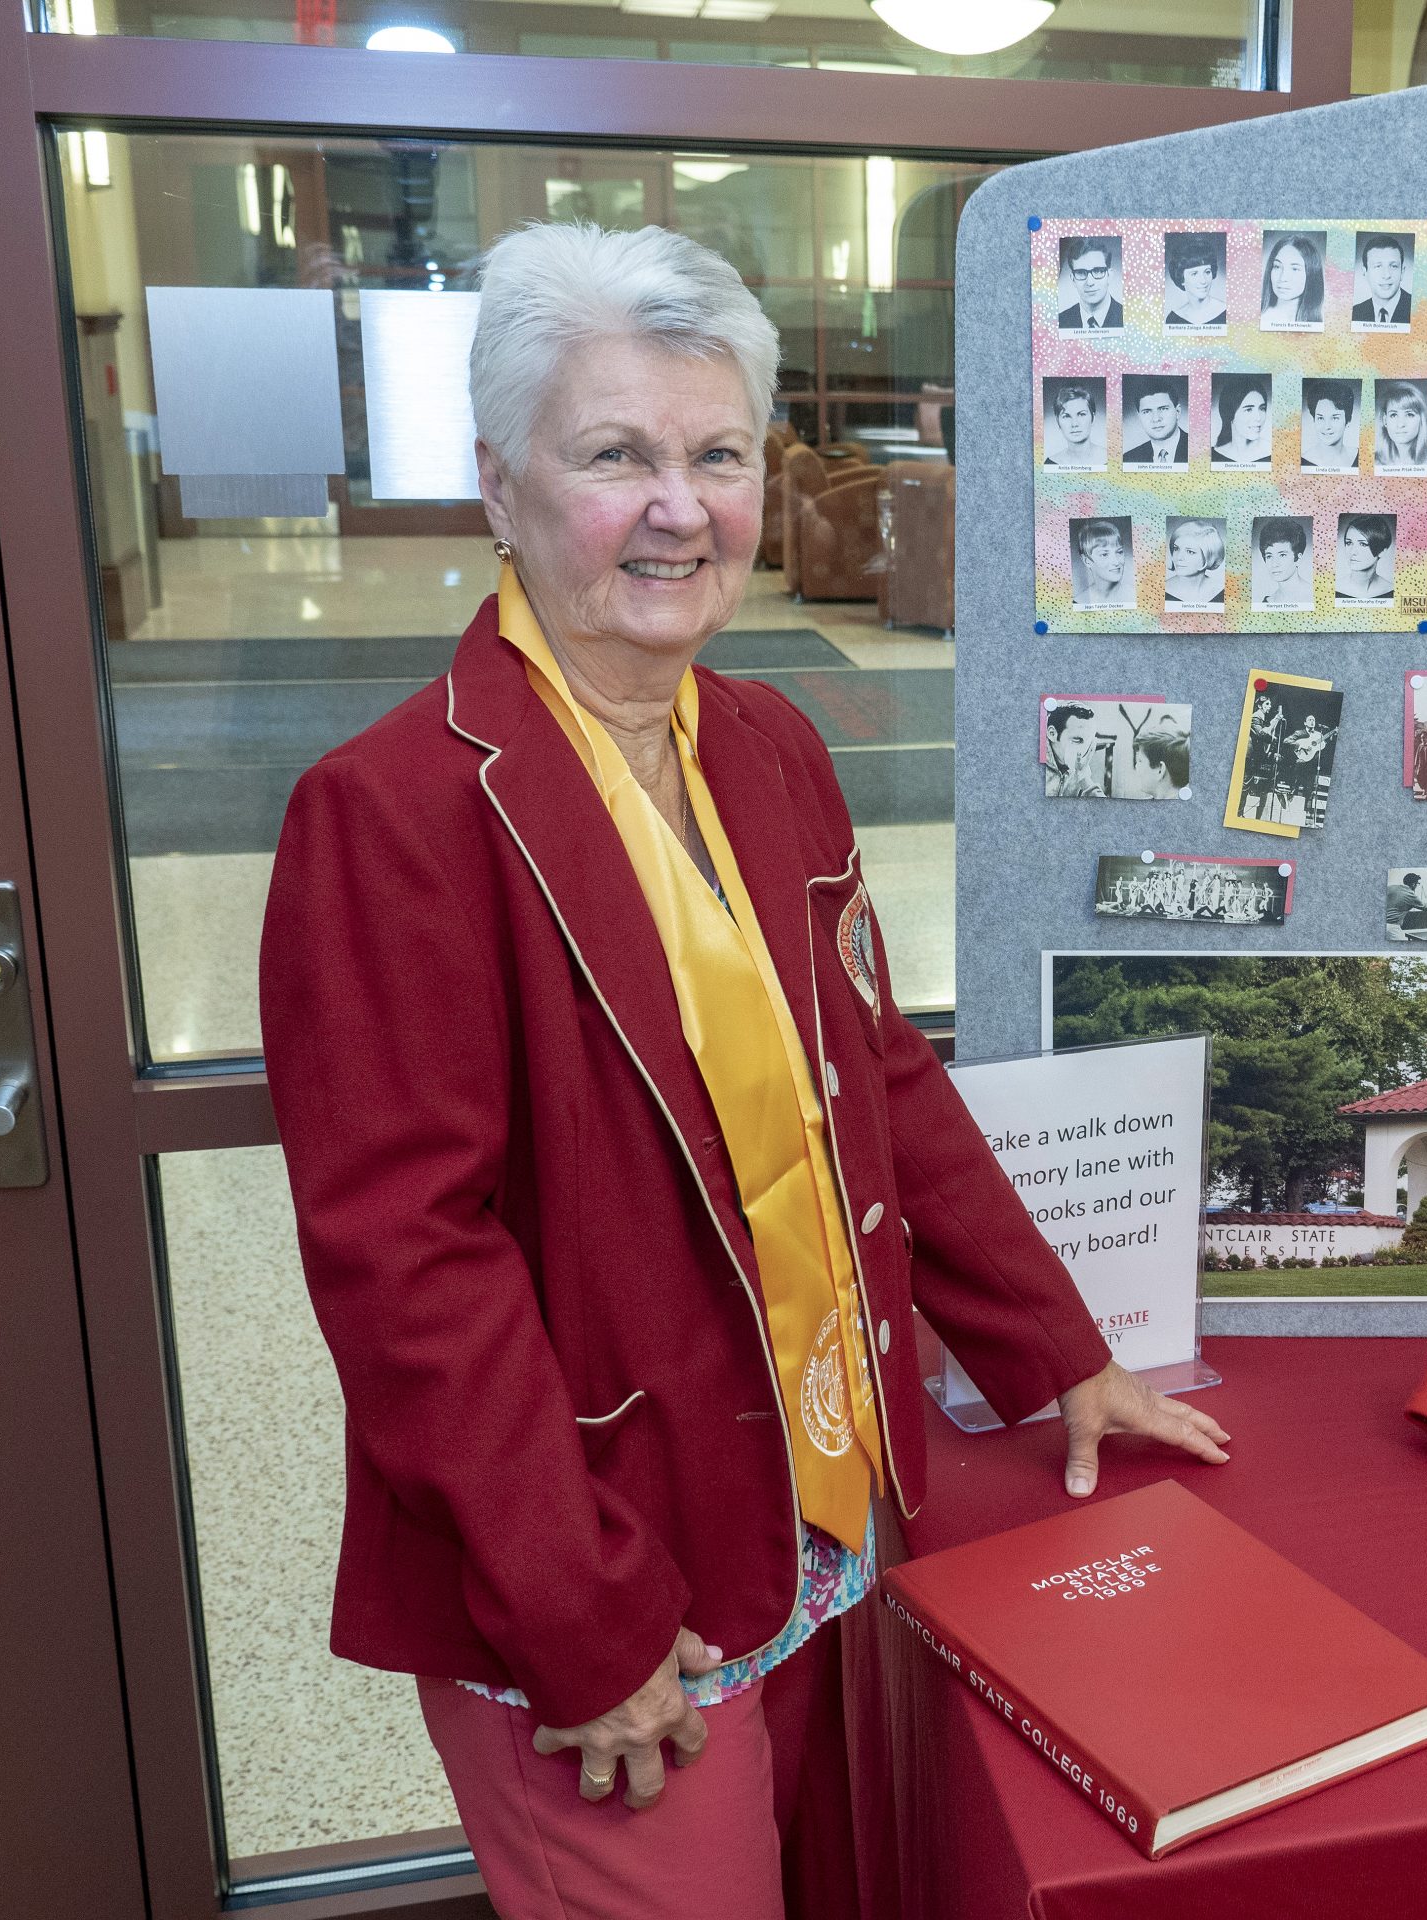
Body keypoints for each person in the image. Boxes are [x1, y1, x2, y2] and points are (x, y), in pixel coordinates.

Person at [258, 223, 1228, 1920]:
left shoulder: (769, 746)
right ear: (500, 487)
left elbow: (883, 1082)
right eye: (614, 454)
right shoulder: (395, 812)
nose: (679, 506)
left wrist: (1056, 1351)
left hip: (816, 1508)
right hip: (611, 1578)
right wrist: (582, 1625)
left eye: (717, 457)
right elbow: (408, 1273)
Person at [1054, 238, 1121, 330]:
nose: (1089, 282)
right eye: (1081, 272)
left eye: (1097, 271)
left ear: (1109, 275)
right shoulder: (1060, 321)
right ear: (1073, 279)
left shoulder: (1126, 317)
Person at [1161, 233, 1225, 330]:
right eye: (1194, 274)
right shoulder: (1173, 319)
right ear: (1182, 278)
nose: (1203, 281)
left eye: (1207, 272)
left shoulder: (1226, 313)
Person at [1259, 233, 1323, 329]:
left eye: (1294, 269)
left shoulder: (1318, 322)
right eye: (1277, 266)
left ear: (1311, 274)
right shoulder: (1259, 319)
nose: (1283, 278)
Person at [1121, 380, 1189, 466]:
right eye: (1147, 411)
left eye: (1163, 409)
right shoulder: (1128, 459)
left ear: (1177, 412)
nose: (1156, 419)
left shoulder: (1202, 452)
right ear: (1139, 417)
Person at [1071, 518, 1134, 610]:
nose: (1116, 562)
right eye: (1104, 554)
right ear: (1087, 561)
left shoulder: (1134, 596)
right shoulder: (1079, 603)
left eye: (1119, 552)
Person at [1352, 234, 1413, 327]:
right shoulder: (1356, 313)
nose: (1386, 275)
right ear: (1365, 272)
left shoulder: (1418, 310)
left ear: (1402, 272)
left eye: (1393, 266)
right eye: (1378, 266)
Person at [1043, 702, 1102, 797]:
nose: (1083, 751)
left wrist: (1083, 778)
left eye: (1089, 742)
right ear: (1052, 734)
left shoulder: (1080, 767)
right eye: (1077, 740)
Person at [1374, 380, 1427, 473]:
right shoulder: (1375, 462)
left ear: (1422, 419)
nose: (1400, 424)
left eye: (1409, 414)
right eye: (1393, 415)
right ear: (1385, 420)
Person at [1163, 519, 1224, 610]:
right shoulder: (1162, 590)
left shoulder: (1221, 590)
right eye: (1176, 549)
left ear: (1208, 556)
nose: (1179, 557)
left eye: (1190, 552)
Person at [1252, 518, 1312, 609]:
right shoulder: (1268, 601)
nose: (1274, 564)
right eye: (1269, 556)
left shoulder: (1314, 596)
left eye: (1282, 555)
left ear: (1298, 558)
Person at [1212, 377, 1272, 467]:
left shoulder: (1273, 452)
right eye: (1248, 410)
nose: (1258, 417)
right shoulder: (1214, 454)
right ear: (1229, 413)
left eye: (1262, 408)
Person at [1042, 381, 1101, 470]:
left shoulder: (1112, 460)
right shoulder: (1050, 464)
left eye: (1081, 414)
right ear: (1058, 421)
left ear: (1093, 418)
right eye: (1066, 416)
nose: (1074, 424)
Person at [1334, 516, 1393, 606]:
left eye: (1363, 544)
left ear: (1381, 551)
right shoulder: (1335, 588)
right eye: (1349, 543)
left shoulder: (1391, 590)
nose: (1353, 552)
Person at [1300, 385, 1358, 472]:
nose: (1327, 427)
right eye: (1320, 418)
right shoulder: (1302, 462)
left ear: (1348, 420)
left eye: (1335, 418)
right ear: (1314, 420)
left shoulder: (1359, 456)